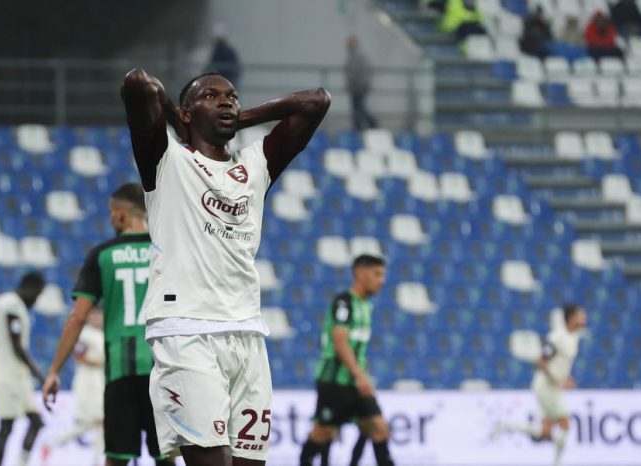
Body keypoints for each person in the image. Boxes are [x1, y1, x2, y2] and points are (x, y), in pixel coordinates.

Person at [120, 65, 330, 466]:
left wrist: (241, 118)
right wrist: (178, 121)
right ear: (187, 112)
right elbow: (138, 83)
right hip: (185, 331)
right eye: (211, 96)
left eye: (232, 96)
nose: (226, 101)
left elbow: (316, 102)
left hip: (247, 332)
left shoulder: (256, 165)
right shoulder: (166, 160)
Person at [42, 184, 173, 466]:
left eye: (112, 212)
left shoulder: (103, 255)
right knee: (166, 457)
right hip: (162, 370)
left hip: (120, 375)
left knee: (116, 458)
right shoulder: (165, 251)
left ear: (121, 214)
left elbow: (78, 317)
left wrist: (54, 371)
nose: (111, 217)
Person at [300, 255, 395, 466]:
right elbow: (340, 342)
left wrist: (364, 377)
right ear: (360, 273)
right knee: (323, 433)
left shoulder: (367, 306)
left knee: (379, 429)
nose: (382, 281)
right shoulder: (344, 302)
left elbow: (358, 350)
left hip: (355, 381)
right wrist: (360, 376)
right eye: (377, 274)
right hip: (334, 382)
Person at [492, 304, 588, 466]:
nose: (585, 318)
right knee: (565, 423)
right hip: (546, 386)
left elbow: (562, 363)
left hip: (552, 386)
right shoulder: (557, 337)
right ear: (571, 318)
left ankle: (505, 426)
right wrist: (556, 380)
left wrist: (567, 378)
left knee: (545, 432)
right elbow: (541, 362)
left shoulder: (574, 337)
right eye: (581, 315)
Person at [0, 271, 46, 466]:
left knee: (36, 422)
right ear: (31, 287)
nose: (36, 300)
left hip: (18, 375)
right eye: (38, 294)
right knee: (7, 425)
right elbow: (16, 345)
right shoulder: (10, 304)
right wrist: (39, 373)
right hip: (8, 374)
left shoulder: (15, 304)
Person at [42, 308, 105, 466]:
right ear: (89, 317)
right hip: (87, 384)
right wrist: (101, 363)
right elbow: (79, 356)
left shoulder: (102, 335)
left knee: (96, 424)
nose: (98, 319)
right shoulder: (84, 334)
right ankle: (53, 443)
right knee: (99, 422)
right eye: (95, 316)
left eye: (100, 316)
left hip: (99, 383)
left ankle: (52, 443)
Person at [345, 36, 377, 132]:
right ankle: (361, 126)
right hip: (356, 87)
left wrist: (359, 85)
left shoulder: (358, 56)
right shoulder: (353, 56)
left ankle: (371, 124)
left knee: (359, 108)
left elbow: (356, 73)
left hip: (359, 87)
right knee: (357, 108)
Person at [207, 23, 241, 88]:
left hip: (226, 78)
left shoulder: (219, 50)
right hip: (230, 78)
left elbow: (212, 63)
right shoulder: (229, 50)